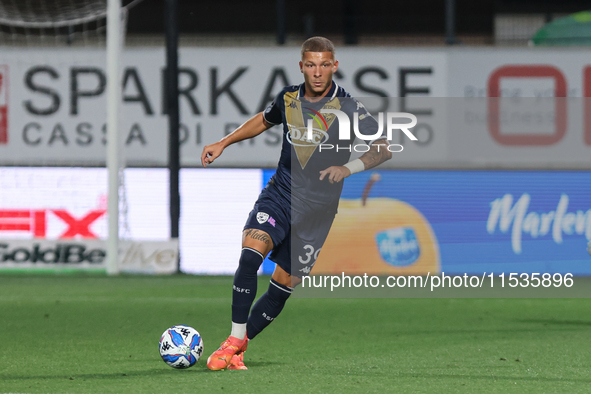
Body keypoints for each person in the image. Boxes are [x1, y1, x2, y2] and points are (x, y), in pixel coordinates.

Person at [200, 36, 392, 370]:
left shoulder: (348, 107)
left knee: (283, 285)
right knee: (250, 255)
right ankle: (233, 338)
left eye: (324, 64)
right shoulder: (288, 98)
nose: (317, 72)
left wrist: (348, 167)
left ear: (334, 66)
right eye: (311, 64)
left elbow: (384, 147)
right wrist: (224, 142)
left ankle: (237, 349)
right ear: (301, 66)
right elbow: (263, 119)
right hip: (281, 193)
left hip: (317, 211)